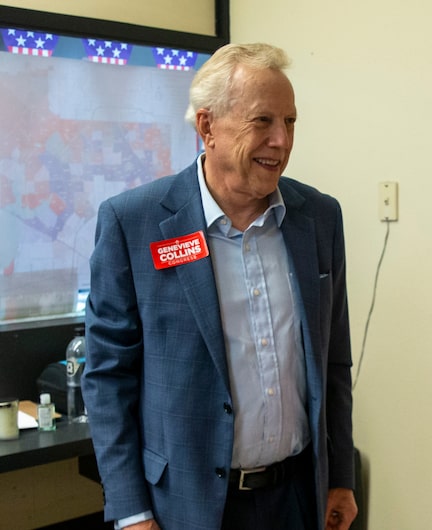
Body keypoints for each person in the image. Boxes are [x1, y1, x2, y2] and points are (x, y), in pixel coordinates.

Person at [82, 43, 358, 530]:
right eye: (262, 122)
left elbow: (333, 359)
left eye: (290, 122)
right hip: (186, 507)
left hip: (297, 499)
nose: (281, 141)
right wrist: (130, 511)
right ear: (208, 126)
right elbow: (108, 378)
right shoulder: (134, 223)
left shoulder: (318, 218)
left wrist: (341, 477)